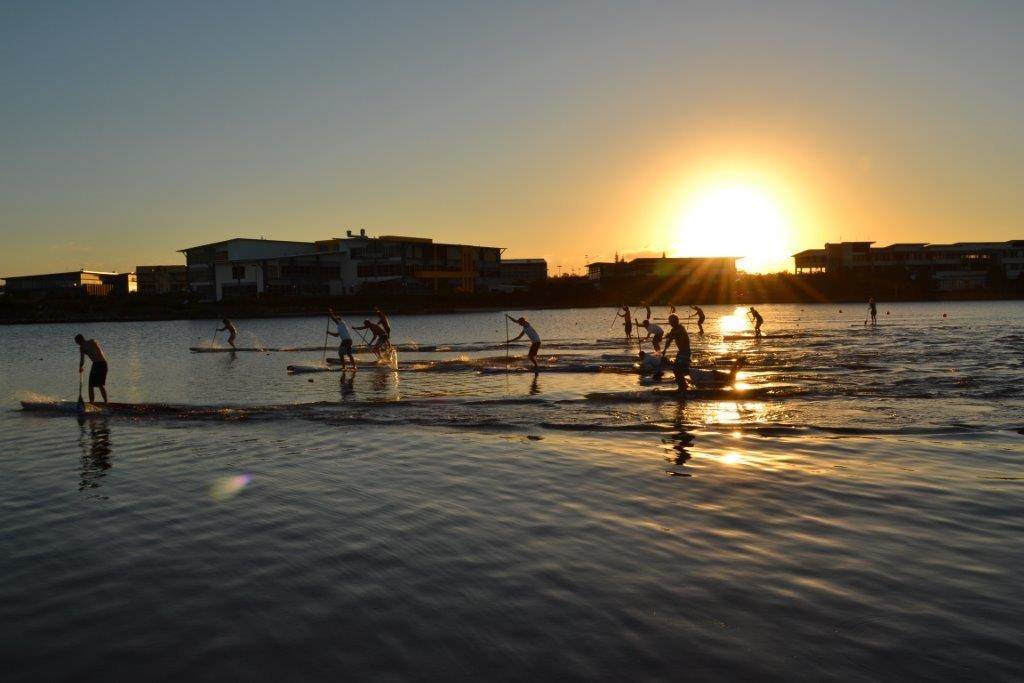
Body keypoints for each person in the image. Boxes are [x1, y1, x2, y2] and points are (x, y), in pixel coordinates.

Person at [661, 314, 691, 392]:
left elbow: (676, 334)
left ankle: (683, 386)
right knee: (676, 369)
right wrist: (664, 350)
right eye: (670, 322)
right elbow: (669, 340)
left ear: (676, 321)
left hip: (685, 352)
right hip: (681, 352)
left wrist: (670, 335)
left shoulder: (680, 328)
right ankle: (683, 385)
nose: (670, 323)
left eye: (671, 321)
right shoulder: (673, 330)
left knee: (677, 369)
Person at [75, 334, 108, 403]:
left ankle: (97, 402)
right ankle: (100, 402)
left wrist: (81, 367)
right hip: (101, 364)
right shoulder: (92, 342)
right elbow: (83, 359)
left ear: (79, 340)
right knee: (96, 385)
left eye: (77, 342)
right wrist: (81, 367)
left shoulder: (84, 346)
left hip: (99, 364)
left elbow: (82, 359)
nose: (77, 344)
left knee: (95, 385)